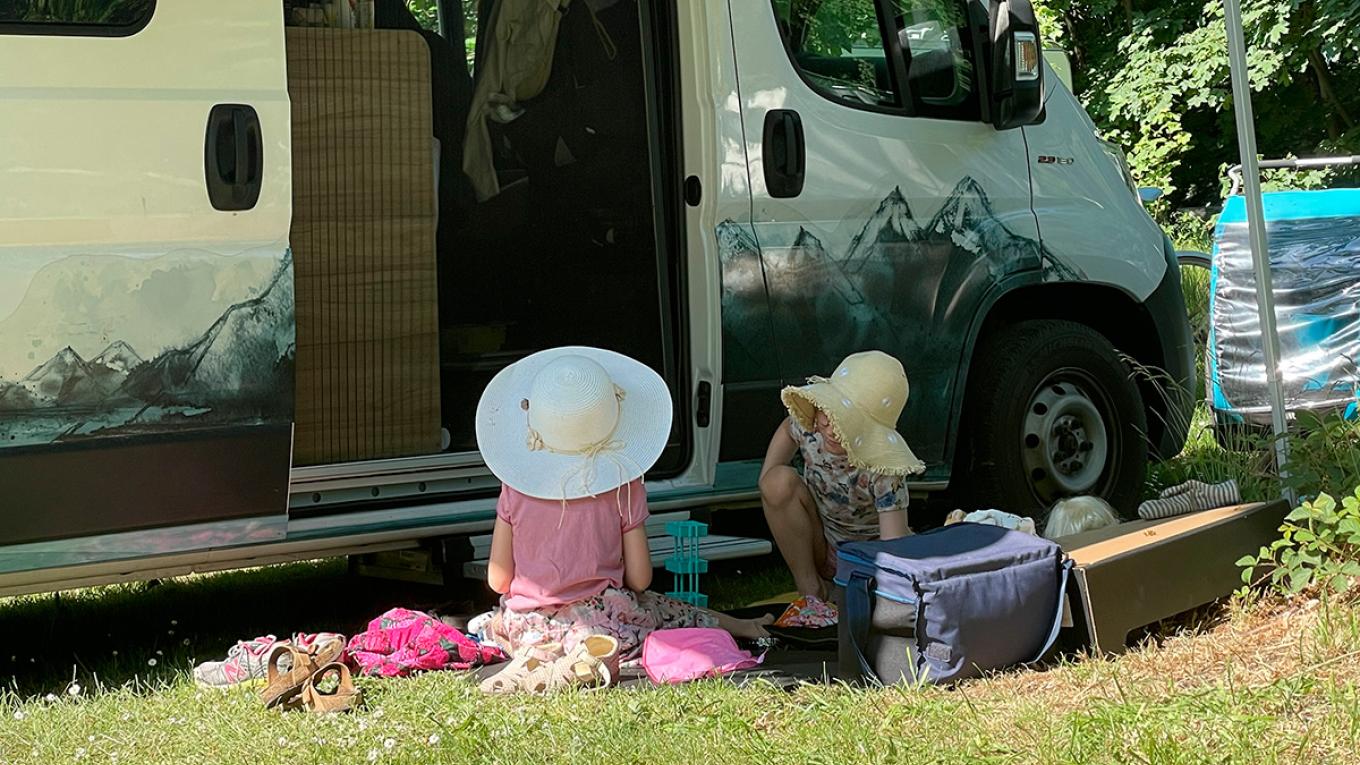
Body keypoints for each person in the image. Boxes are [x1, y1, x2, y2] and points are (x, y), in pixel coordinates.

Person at [475, 346, 770, 691]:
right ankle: (742, 626)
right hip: (602, 623)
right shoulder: (623, 486)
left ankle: (541, 660)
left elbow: (499, 579)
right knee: (668, 609)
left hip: (529, 628)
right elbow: (640, 579)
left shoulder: (515, 487)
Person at [758, 350, 926, 627]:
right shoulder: (810, 430)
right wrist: (770, 486)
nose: (829, 425)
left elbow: (893, 546)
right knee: (776, 482)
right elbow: (787, 432)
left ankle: (851, 593)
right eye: (828, 409)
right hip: (823, 543)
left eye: (846, 420)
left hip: (867, 558)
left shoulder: (882, 469)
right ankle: (811, 590)